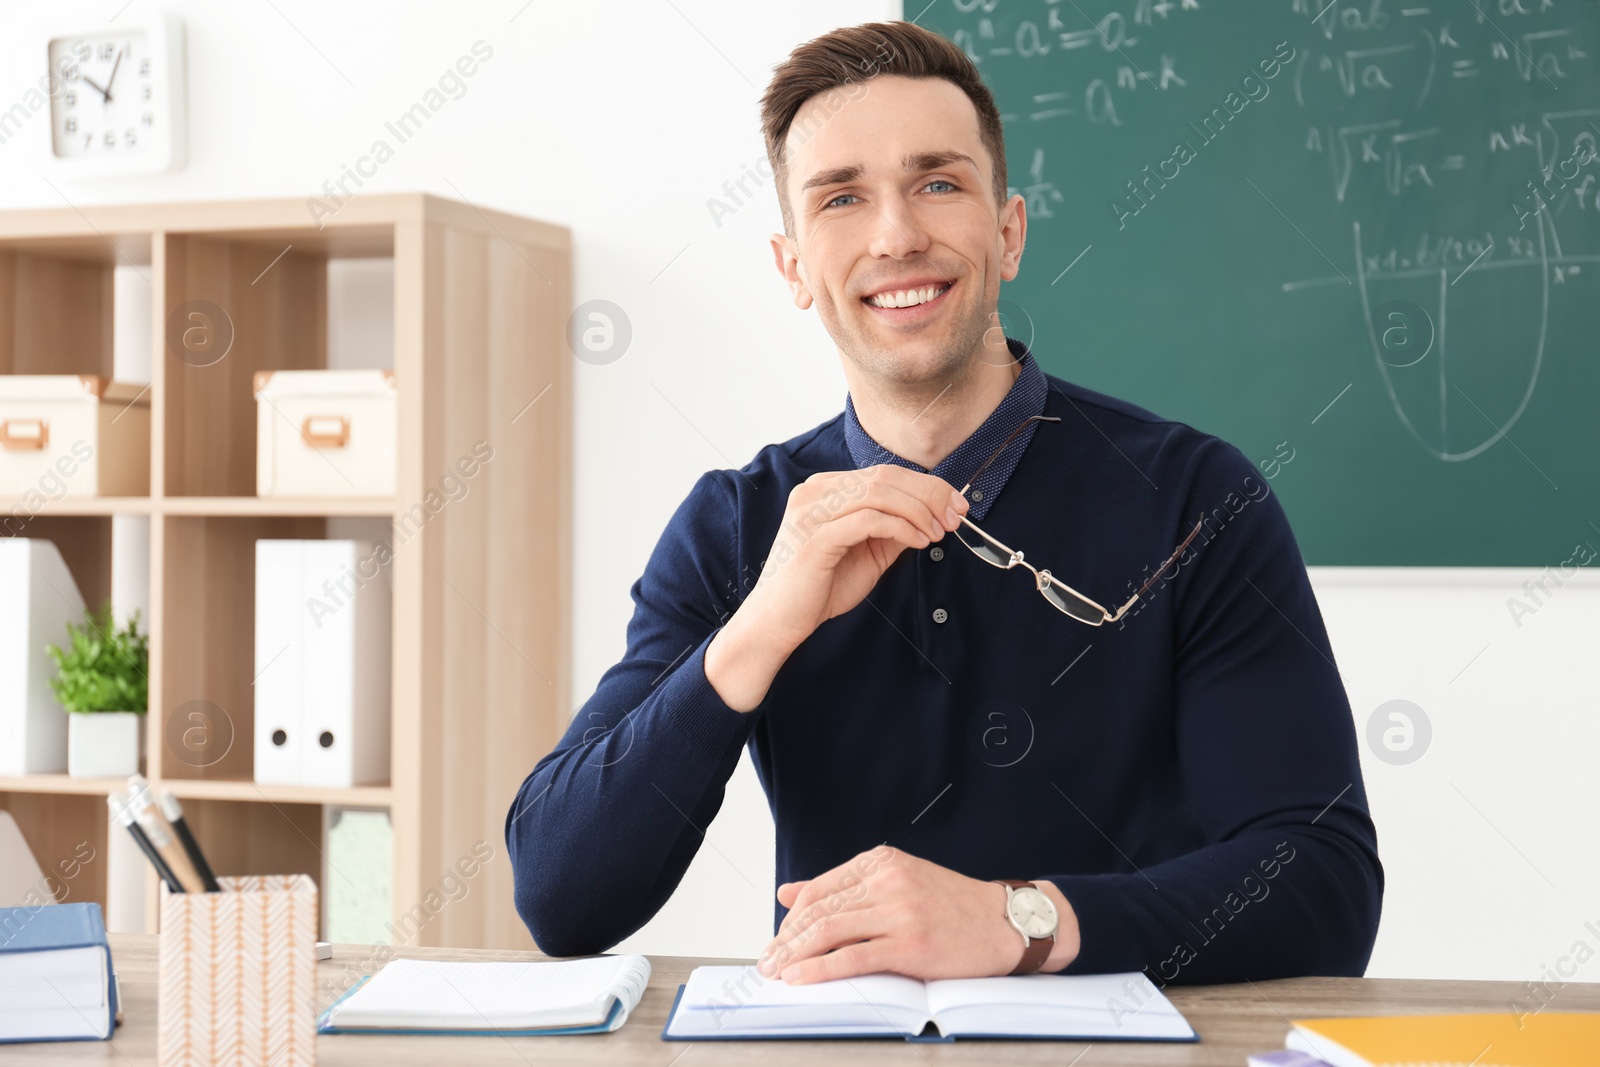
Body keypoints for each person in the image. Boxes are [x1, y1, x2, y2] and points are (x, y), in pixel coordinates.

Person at [507, 19, 1381, 988]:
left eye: (937, 182)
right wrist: (760, 627)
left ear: (1005, 233)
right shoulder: (735, 526)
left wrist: (1022, 919)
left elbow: (1324, 888)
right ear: (793, 266)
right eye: (841, 197)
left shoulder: (1194, 495)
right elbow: (561, 896)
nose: (895, 235)